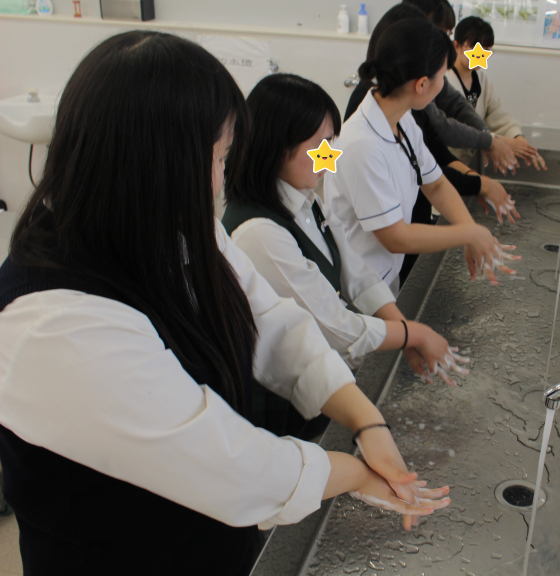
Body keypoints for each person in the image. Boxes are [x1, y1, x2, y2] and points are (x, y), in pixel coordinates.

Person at [0, 31, 448, 575]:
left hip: (213, 541)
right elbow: (231, 466)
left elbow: (271, 321)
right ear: (159, 165)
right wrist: (356, 472)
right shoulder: (52, 322)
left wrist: (365, 421)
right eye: (219, 157)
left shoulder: (175, 225)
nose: (220, 178)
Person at [223, 73, 468, 398]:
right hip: (283, 399)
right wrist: (412, 335)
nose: (329, 157)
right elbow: (335, 327)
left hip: (322, 379)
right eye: (319, 146)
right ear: (277, 146)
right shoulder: (259, 233)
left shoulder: (305, 200)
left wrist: (404, 332)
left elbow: (357, 274)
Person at [325, 18, 520, 298]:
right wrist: (469, 234)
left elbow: (436, 184)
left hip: (382, 279)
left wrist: (470, 230)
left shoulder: (403, 120)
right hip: (355, 290)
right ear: (421, 84)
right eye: (442, 76)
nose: (444, 84)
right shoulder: (361, 145)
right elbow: (396, 238)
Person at [447, 16, 547, 171]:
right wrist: (502, 142)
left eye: (486, 49)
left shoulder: (481, 79)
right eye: (475, 47)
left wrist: (518, 139)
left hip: (467, 165)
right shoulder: (445, 80)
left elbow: (497, 113)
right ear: (456, 46)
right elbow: (458, 129)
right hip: (446, 163)